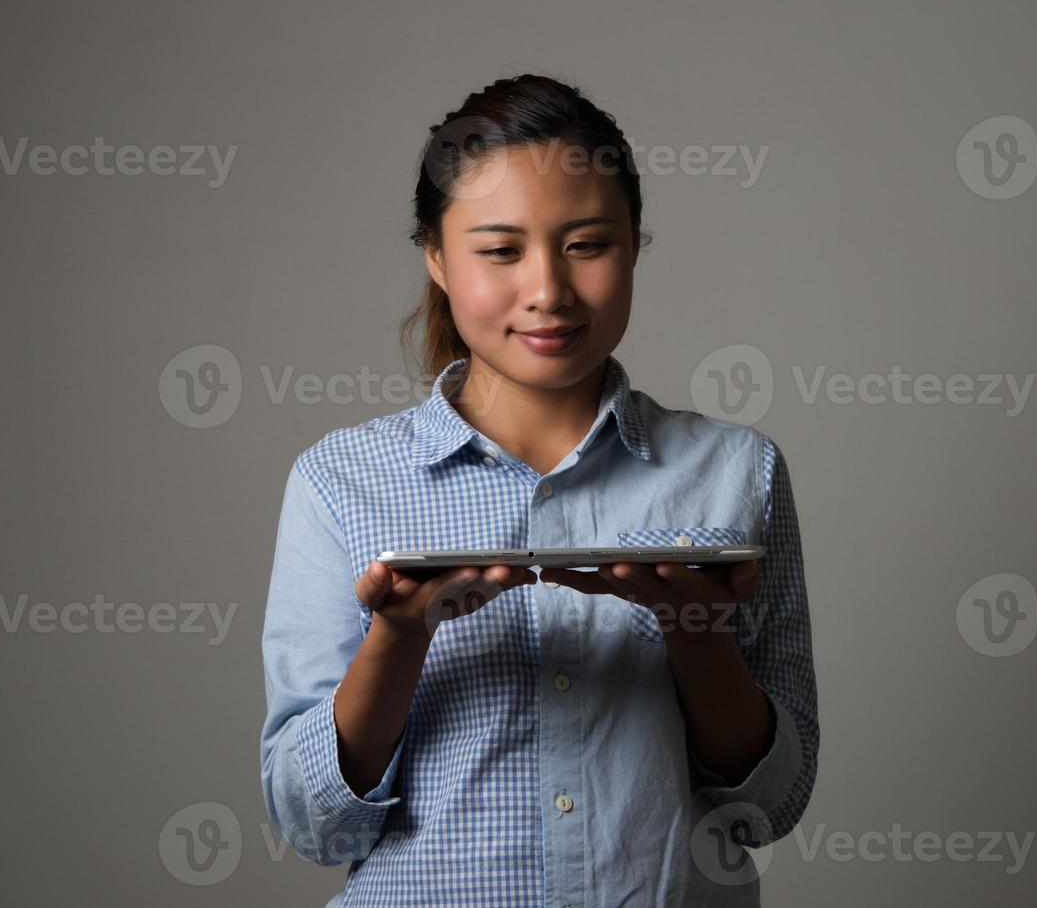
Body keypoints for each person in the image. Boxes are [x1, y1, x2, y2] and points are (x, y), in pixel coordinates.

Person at [260, 73, 819, 906]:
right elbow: (313, 825)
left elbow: (768, 806)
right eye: (499, 250)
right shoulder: (341, 482)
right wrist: (399, 635)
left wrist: (693, 631)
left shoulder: (737, 472)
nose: (549, 290)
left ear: (635, 244)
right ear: (436, 255)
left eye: (587, 245)